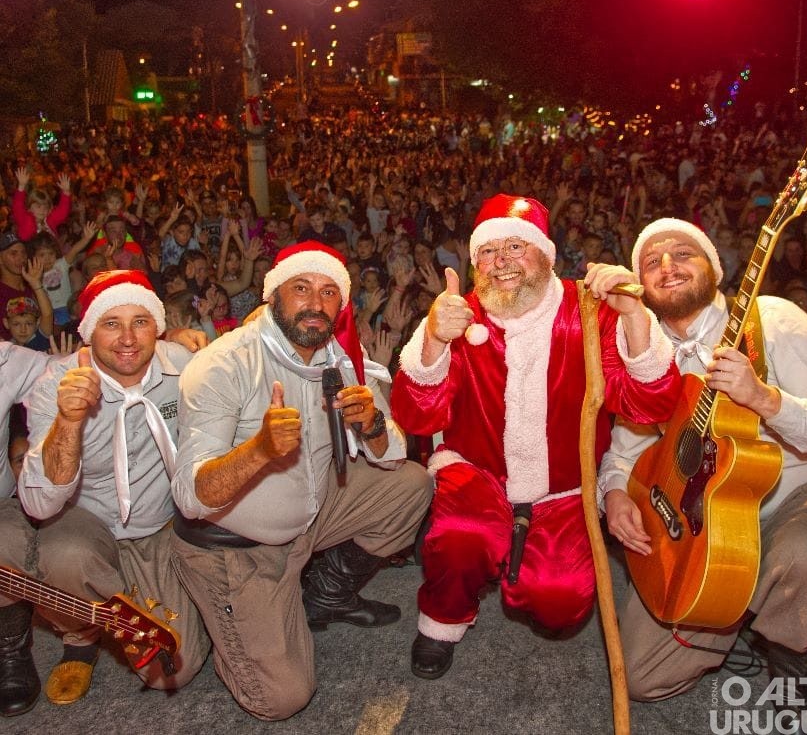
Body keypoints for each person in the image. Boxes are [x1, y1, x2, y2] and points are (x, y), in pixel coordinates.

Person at [390, 194, 682, 680]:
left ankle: (520, 567)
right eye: (488, 251)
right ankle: (443, 620)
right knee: (459, 538)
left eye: (515, 246)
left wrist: (633, 316)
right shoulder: (459, 317)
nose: (501, 261)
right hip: (477, 471)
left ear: (545, 254)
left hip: (566, 487)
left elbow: (650, 404)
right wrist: (435, 339)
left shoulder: (588, 312)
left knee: (560, 600)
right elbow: (416, 418)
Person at [598, 218, 807, 720]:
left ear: (714, 268)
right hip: (699, 528)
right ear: (640, 283)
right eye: (652, 261)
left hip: (790, 503)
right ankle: (737, 614)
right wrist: (615, 493)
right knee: (640, 676)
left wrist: (768, 401)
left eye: (683, 253)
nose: (668, 266)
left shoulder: (771, 320)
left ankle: (799, 666)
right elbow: (623, 451)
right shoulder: (647, 351)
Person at [170, 241, 432, 721]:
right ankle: (227, 615)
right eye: (301, 288)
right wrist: (259, 451)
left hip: (309, 512)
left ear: (341, 304)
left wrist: (373, 424)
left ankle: (323, 595)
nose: (315, 303)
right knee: (282, 698)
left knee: (413, 486)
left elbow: (393, 454)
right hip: (238, 549)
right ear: (272, 295)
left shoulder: (340, 357)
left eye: (328, 292)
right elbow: (190, 497)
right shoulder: (224, 364)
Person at [1, 270, 210, 713]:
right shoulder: (57, 382)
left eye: (141, 321)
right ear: (89, 332)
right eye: (111, 323)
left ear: (158, 327)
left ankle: (135, 606)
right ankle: (81, 634)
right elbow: (37, 503)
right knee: (63, 554)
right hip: (87, 522)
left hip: (158, 525)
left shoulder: (183, 364)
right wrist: (69, 421)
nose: (128, 338)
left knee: (173, 670)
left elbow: (242, 361)